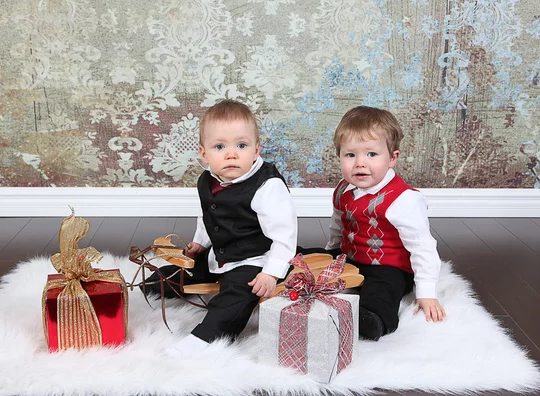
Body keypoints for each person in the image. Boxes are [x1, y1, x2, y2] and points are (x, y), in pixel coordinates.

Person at [144, 99, 298, 357]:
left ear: (256, 150)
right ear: (204, 154)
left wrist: (271, 274)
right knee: (173, 276)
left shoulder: (267, 186)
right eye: (219, 146)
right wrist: (200, 244)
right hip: (222, 254)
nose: (231, 154)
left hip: (256, 259)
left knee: (237, 294)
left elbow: (285, 236)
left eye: (241, 145)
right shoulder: (207, 180)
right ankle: (160, 284)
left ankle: (207, 337)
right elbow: (208, 216)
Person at [298, 105, 446, 341]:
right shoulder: (343, 189)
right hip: (350, 255)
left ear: (392, 158)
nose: (360, 163)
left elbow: (423, 247)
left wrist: (426, 293)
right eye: (350, 155)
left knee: (382, 291)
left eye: (371, 154)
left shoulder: (403, 200)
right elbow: (339, 224)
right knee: (301, 255)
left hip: (389, 266)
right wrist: (331, 252)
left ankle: (372, 320)